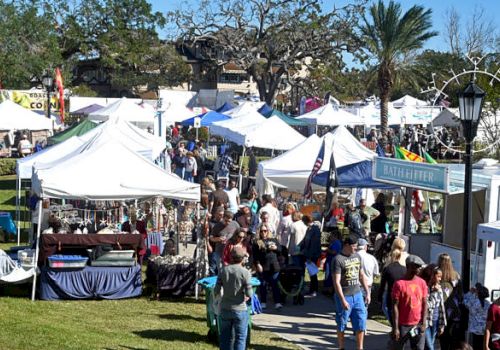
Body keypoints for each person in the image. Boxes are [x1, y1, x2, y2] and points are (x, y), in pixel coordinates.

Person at [333, 235, 370, 350]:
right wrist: (343, 300)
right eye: (354, 246)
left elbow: (361, 275)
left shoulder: (357, 256)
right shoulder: (338, 259)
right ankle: (341, 347)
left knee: (361, 322)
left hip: (357, 294)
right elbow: (336, 282)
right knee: (342, 322)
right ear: (346, 245)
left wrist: (367, 292)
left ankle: (360, 347)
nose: (355, 249)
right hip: (345, 296)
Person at [214, 246, 253, 350]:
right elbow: (249, 293)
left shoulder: (223, 271)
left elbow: (216, 290)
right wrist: (246, 296)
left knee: (225, 338)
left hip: (225, 308)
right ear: (243, 258)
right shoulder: (245, 273)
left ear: (231, 257)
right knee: (240, 338)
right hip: (240, 309)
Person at [392, 255, 428, 350]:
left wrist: (424, 322)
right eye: (416, 266)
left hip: (418, 324)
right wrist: (396, 328)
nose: (419, 269)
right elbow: (395, 306)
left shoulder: (422, 283)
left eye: (419, 266)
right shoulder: (399, 284)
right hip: (403, 325)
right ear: (409, 267)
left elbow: (425, 303)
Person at [252, 224, 282, 310]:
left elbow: (280, 250)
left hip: (274, 265)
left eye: (265, 231)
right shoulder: (257, 242)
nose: (263, 233)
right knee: (263, 285)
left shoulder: (273, 240)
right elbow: (255, 256)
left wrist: (275, 248)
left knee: (274, 284)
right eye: (261, 231)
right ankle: (263, 302)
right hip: (263, 266)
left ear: (268, 231)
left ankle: (278, 302)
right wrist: (258, 264)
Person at [378, 247, 407, 326]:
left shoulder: (387, 269)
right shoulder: (404, 269)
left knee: (391, 313)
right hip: (402, 295)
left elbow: (382, 285)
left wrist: (379, 298)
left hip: (391, 294)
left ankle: (394, 328)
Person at [209, 210, 240, 276]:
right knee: (221, 272)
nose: (228, 223)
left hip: (231, 252)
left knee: (231, 271)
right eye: (226, 221)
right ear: (223, 218)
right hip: (220, 252)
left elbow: (240, 234)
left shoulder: (235, 224)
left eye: (229, 221)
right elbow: (211, 238)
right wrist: (218, 239)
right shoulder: (217, 226)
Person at [299, 215, 321, 297]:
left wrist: (309, 257)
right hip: (308, 253)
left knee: (313, 273)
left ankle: (314, 290)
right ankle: (312, 289)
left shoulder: (314, 229)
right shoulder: (309, 229)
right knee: (311, 273)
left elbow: (313, 245)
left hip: (313, 255)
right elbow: (305, 240)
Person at [425, 266, 447, 350]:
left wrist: (442, 325)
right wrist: (434, 292)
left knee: (431, 343)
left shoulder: (439, 289)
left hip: (436, 320)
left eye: (441, 277)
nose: (440, 279)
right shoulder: (426, 288)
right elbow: (427, 305)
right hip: (426, 321)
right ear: (432, 276)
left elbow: (441, 307)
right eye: (438, 276)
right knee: (430, 346)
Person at [463, 283, 491, 350]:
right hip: (483, 330)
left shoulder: (474, 303)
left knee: (473, 347)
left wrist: (470, 292)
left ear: (478, 293)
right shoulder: (488, 303)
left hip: (474, 330)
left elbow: (464, 300)